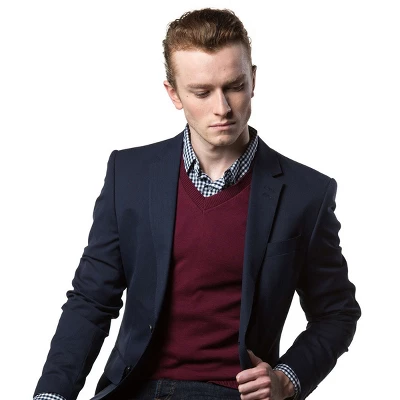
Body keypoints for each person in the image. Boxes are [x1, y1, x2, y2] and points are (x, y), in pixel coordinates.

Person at [33, 8, 361, 400]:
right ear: (173, 93)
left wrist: (286, 379)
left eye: (234, 86)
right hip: (133, 389)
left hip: (231, 392)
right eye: (202, 93)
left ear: (253, 80)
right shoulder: (129, 175)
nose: (222, 108)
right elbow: (91, 300)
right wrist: (50, 395)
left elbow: (336, 312)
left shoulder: (306, 193)